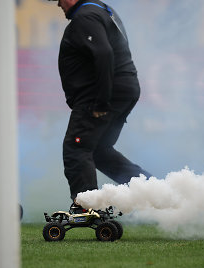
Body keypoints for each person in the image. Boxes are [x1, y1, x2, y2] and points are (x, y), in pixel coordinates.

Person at [50, 0, 152, 209]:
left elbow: (104, 53)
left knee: (76, 148)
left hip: (102, 95)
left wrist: (101, 102)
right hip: (123, 90)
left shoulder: (85, 16)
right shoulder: (100, 9)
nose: (58, 4)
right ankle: (157, 193)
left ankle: (87, 208)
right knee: (99, 151)